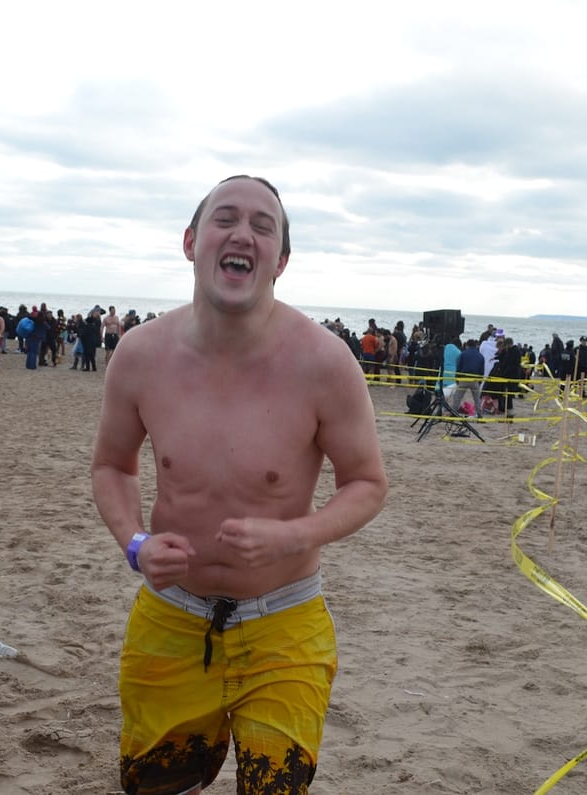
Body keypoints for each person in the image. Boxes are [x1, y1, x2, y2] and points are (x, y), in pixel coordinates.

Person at [91, 175, 388, 795]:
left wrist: (294, 535)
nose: (243, 234)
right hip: (171, 616)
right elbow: (112, 466)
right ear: (190, 241)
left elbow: (366, 482)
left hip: (286, 621)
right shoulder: (141, 355)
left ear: (280, 261)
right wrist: (136, 544)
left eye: (263, 226)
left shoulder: (324, 362)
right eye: (225, 219)